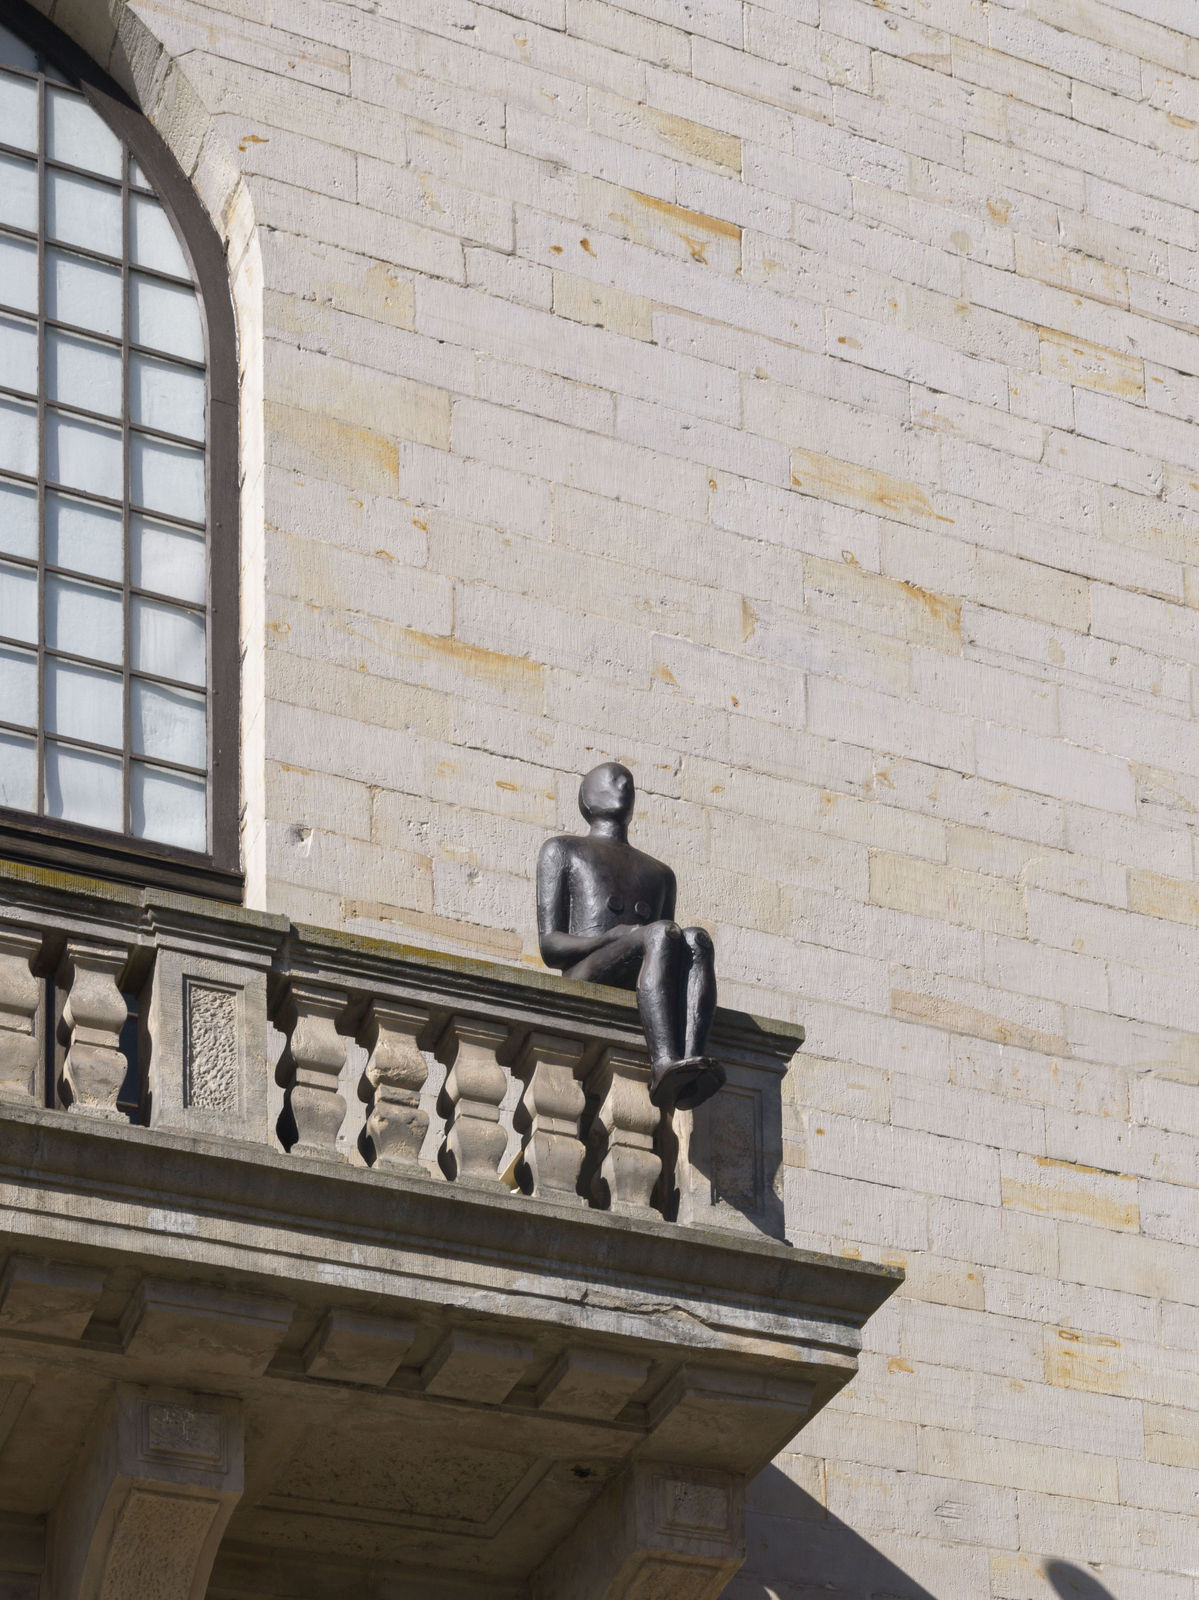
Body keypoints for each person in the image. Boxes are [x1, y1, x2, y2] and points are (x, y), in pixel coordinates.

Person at [536, 762, 724, 1109]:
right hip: (589, 967)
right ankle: (663, 1062)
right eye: (610, 780)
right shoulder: (562, 850)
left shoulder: (660, 874)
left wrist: (639, 937)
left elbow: (670, 953)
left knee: (696, 940)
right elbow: (550, 945)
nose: (621, 784)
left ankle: (691, 1059)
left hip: (640, 961)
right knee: (661, 935)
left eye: (627, 782)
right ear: (586, 799)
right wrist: (608, 938)